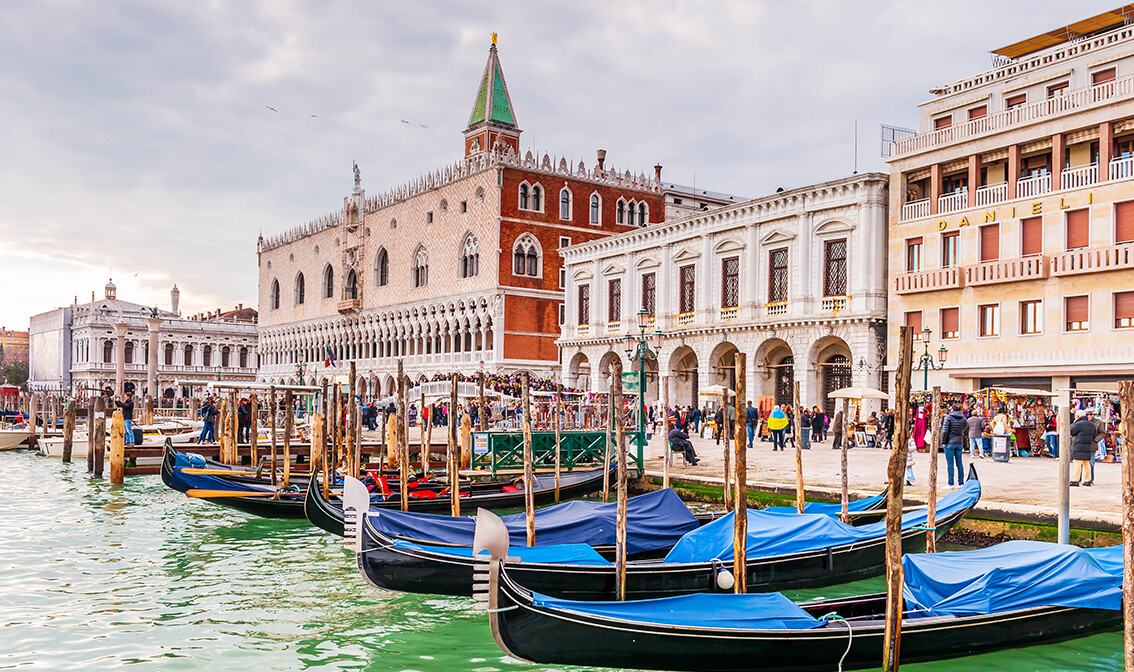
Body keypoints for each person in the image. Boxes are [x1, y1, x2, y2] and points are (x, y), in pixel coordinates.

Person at [940, 403, 967, 488]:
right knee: (959, 463)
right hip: (959, 442)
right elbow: (965, 429)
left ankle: (950, 483)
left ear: (952, 409)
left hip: (950, 442)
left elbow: (945, 431)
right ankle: (961, 482)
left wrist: (943, 442)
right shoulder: (963, 419)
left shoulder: (949, 418)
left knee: (950, 463)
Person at [1069, 410, 1096, 486]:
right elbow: (1094, 434)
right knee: (1086, 463)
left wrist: (1074, 422)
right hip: (1087, 445)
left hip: (1078, 445)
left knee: (1077, 462)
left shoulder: (1078, 424)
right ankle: (1087, 480)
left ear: (1077, 416)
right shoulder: (1091, 424)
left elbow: (1071, 431)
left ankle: (1076, 480)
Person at [1088, 408, 1106, 483]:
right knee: (1081, 463)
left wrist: (1096, 440)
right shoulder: (1082, 422)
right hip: (1082, 444)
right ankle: (1080, 478)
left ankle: (1090, 479)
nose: (1089, 416)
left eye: (1090, 414)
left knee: (1091, 463)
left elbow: (1102, 433)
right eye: (1087, 415)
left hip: (1092, 444)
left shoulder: (1098, 422)